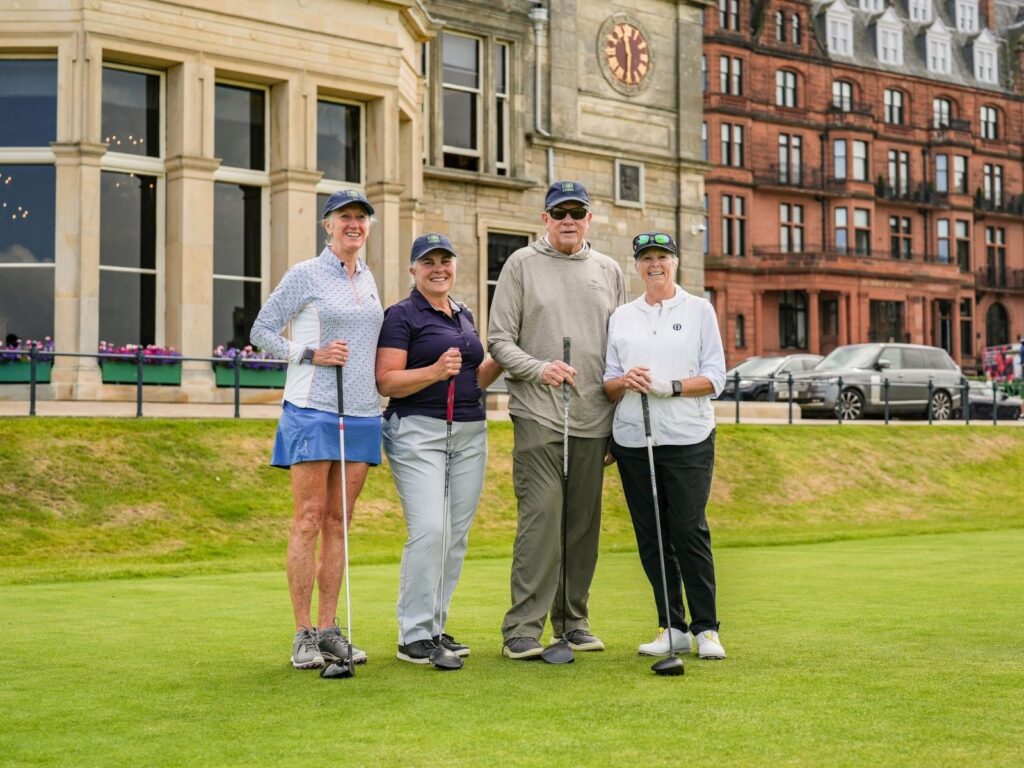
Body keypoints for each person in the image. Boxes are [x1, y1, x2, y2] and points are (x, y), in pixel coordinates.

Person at [488, 180, 626, 659]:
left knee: (582, 528)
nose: (568, 220)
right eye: (559, 212)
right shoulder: (521, 265)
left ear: (590, 219)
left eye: (577, 212)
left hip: (593, 418)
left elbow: (617, 349)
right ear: (544, 219)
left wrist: (617, 421)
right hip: (538, 414)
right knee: (542, 519)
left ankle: (573, 622)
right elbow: (500, 340)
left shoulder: (608, 270)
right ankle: (522, 629)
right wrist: (540, 368)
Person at [250, 189, 384, 670]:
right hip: (311, 408)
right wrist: (310, 354)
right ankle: (302, 633)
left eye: (361, 218)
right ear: (328, 225)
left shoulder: (369, 279)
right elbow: (260, 332)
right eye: (345, 217)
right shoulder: (304, 274)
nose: (354, 224)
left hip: (363, 412)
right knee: (308, 517)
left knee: (339, 523)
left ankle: (330, 630)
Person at [375, 233, 502, 665]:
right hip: (417, 431)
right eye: (427, 262)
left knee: (454, 537)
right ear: (413, 270)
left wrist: (502, 355)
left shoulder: (463, 313)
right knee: (429, 529)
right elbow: (386, 381)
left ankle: (435, 627)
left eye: (445, 260)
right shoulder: (401, 315)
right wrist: (431, 371)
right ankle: (412, 634)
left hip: (469, 432)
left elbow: (473, 377)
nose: (438, 268)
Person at [603, 232, 728, 660]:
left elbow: (716, 378)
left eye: (662, 257)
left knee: (688, 529)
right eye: (646, 258)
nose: (654, 264)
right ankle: (671, 625)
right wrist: (625, 381)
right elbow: (608, 381)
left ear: (675, 263)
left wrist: (668, 386)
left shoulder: (699, 310)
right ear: (636, 266)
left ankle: (706, 628)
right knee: (652, 535)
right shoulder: (621, 316)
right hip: (635, 439)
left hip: (688, 436)